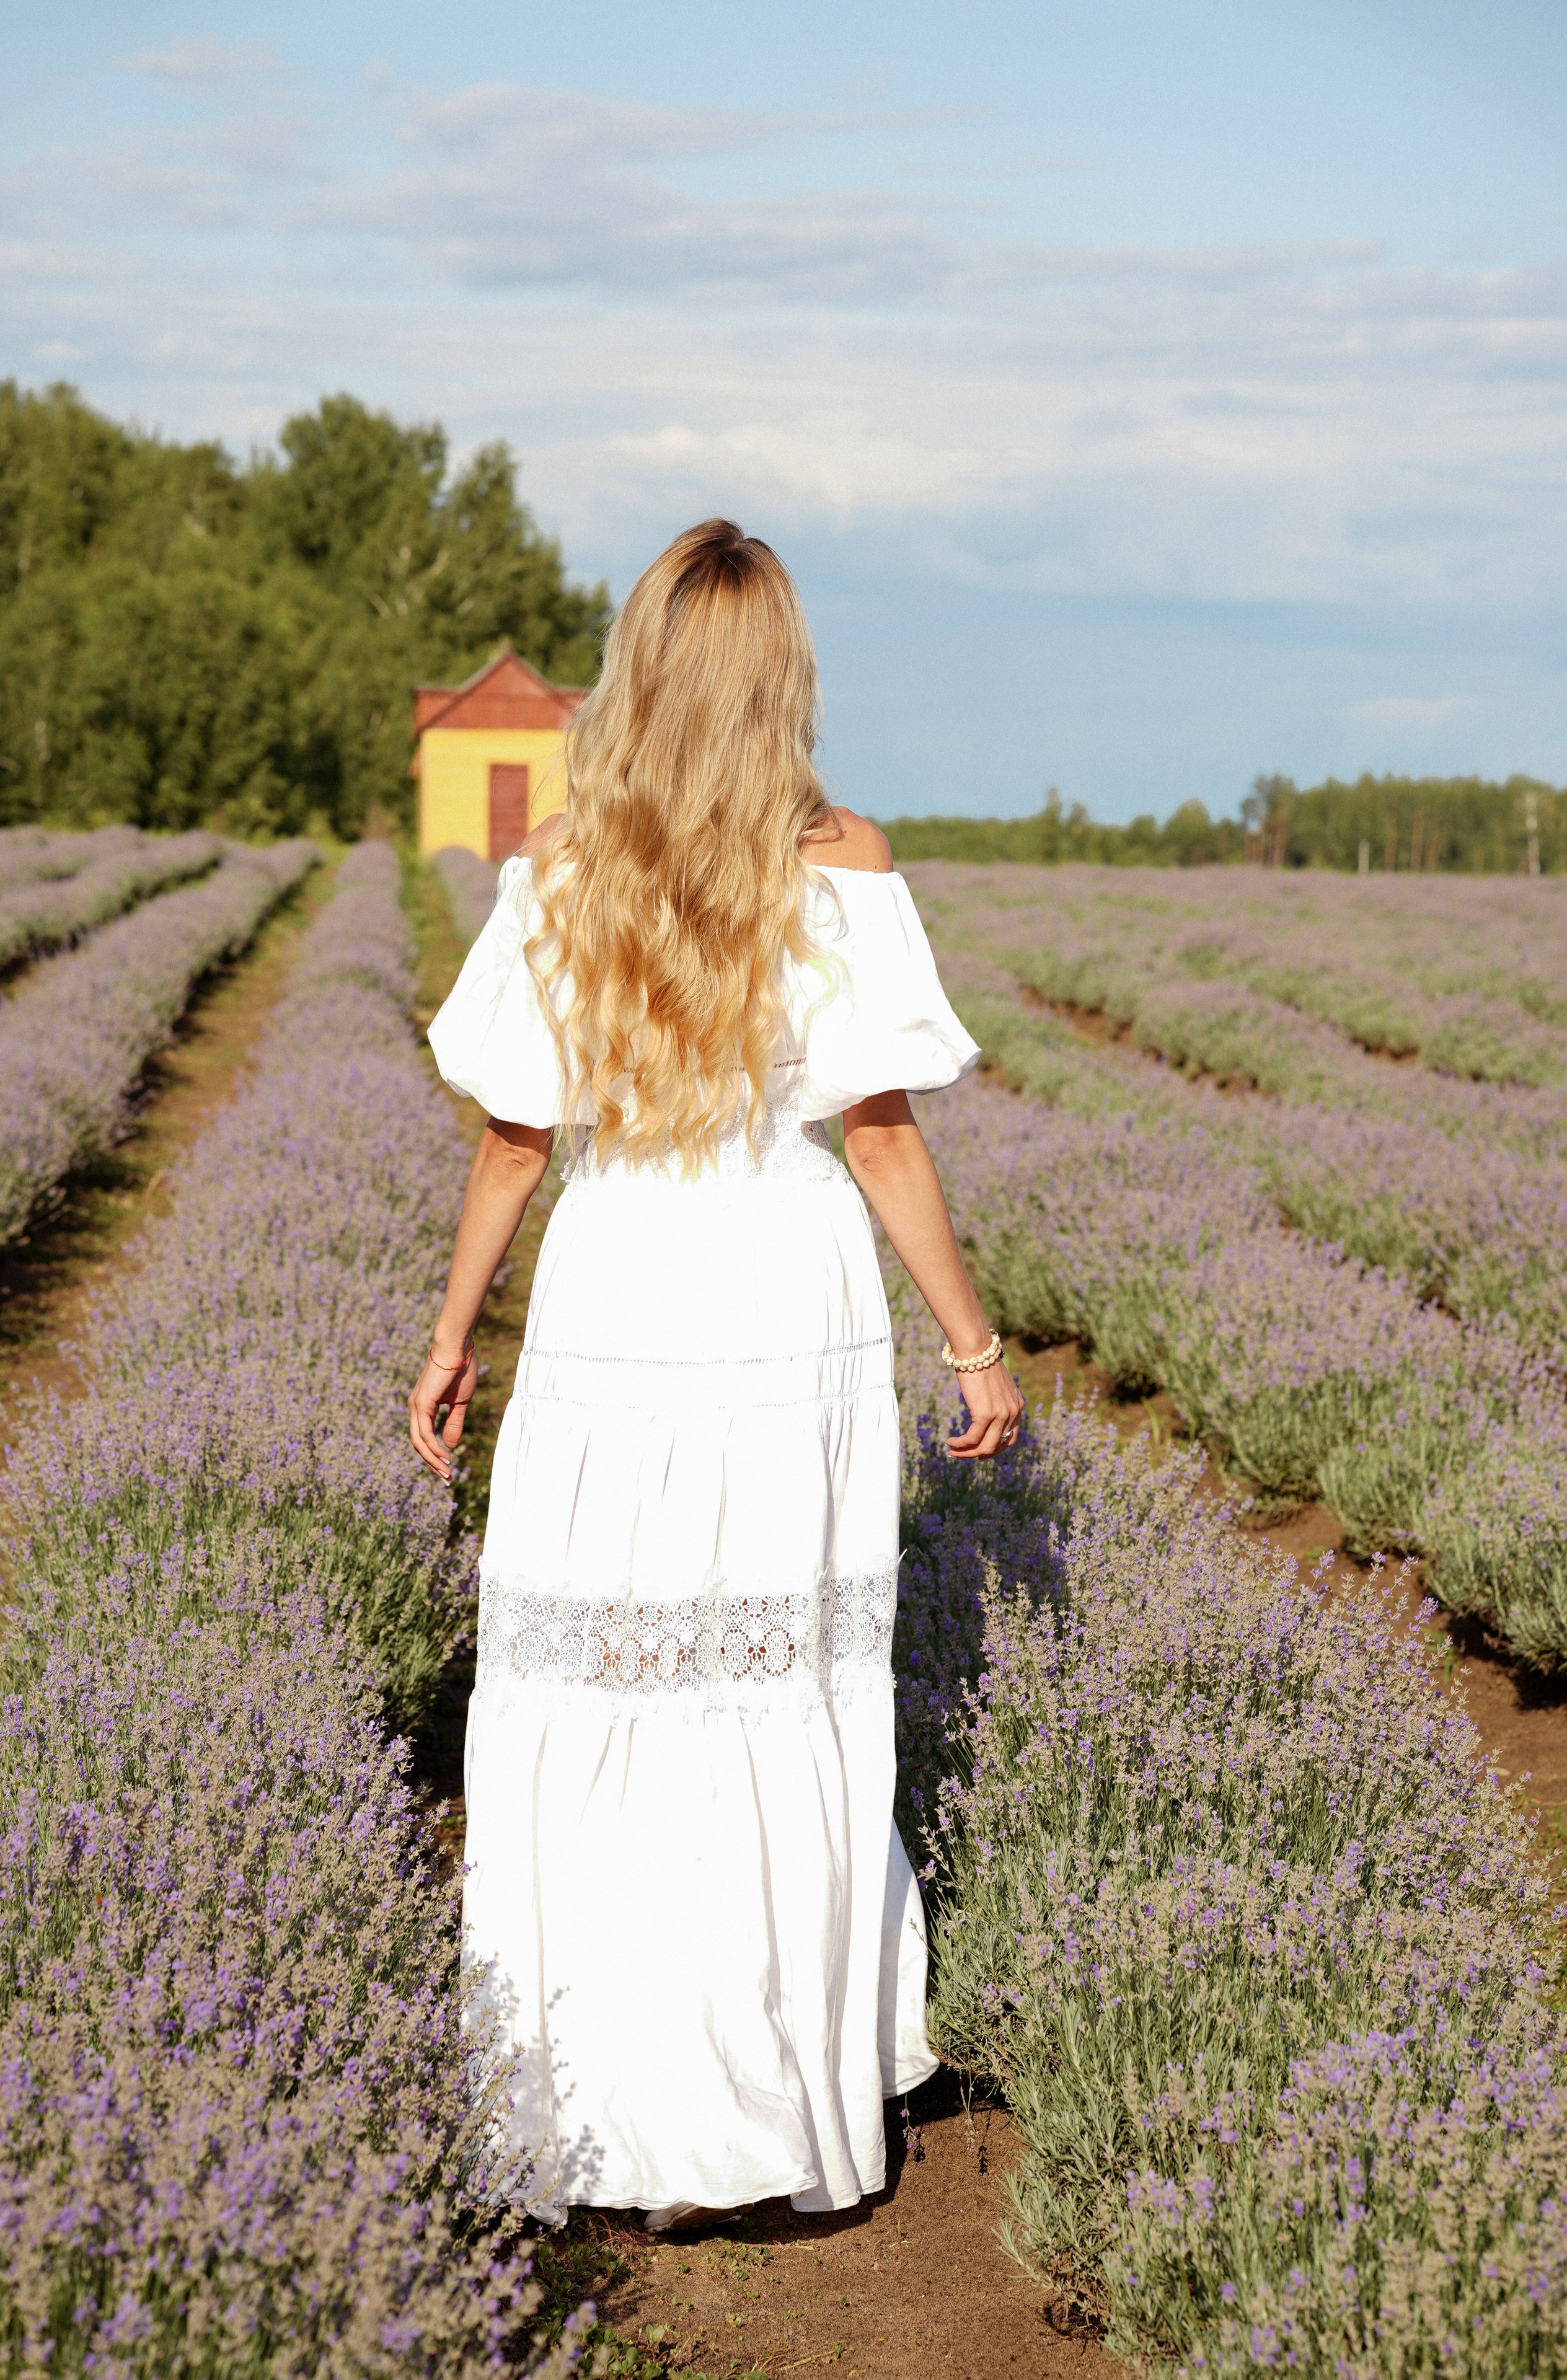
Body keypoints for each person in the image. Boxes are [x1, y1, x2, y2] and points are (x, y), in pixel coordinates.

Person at [408, 519, 1025, 2232]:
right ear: (784, 679)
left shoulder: (560, 868)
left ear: (636, 667)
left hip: (618, 1295)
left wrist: (455, 1335)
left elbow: (515, 1142)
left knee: (598, 1688)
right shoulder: (848, 862)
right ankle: (767, 2105)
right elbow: (880, 1138)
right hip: (781, 1288)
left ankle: (602, 2120)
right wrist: (974, 1343)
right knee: (776, 1692)